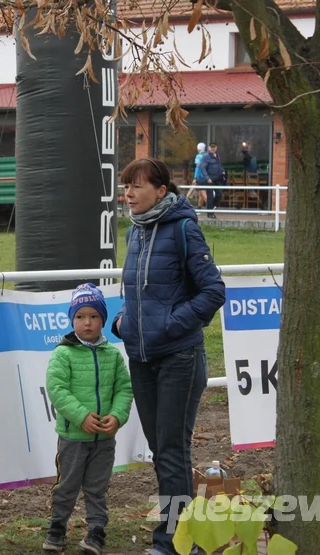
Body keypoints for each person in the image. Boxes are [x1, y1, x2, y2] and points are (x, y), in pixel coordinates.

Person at [111, 158, 225, 555]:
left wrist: (172, 325)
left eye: (136, 187)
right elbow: (139, 293)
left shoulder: (183, 228)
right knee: (162, 451)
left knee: (172, 452)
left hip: (179, 356)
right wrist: (125, 321)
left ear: (161, 191)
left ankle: (176, 543)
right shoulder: (135, 233)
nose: (128, 194)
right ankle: (179, 537)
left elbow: (213, 291)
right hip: (142, 357)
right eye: (126, 187)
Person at [42, 283, 133, 555]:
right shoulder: (63, 353)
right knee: (67, 485)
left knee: (97, 487)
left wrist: (117, 416)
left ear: (103, 320)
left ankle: (96, 531)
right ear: (72, 320)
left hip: (104, 439)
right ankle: (57, 527)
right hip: (73, 438)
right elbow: (57, 389)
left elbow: (124, 389)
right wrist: (81, 416)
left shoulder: (113, 355)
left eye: (94, 316)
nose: (87, 323)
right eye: (80, 317)